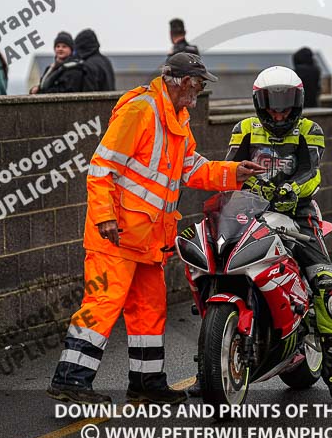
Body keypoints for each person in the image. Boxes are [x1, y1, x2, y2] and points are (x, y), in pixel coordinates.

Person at [46, 53, 266, 405]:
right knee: (103, 303)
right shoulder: (140, 111)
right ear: (178, 81)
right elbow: (101, 168)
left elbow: (191, 167)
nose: (199, 91)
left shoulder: (178, 117)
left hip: (148, 239)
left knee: (150, 310)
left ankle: (147, 383)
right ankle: (71, 378)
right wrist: (105, 217)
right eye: (196, 83)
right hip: (115, 234)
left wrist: (232, 173)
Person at [225, 66, 332, 403]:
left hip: (299, 213)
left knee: (327, 285)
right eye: (271, 106)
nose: (278, 113)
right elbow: (230, 167)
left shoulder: (311, 129)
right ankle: (214, 363)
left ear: (297, 104)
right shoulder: (244, 129)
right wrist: (236, 184)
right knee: (216, 265)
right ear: (258, 103)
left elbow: (312, 171)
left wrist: (292, 188)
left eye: (284, 106)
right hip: (251, 211)